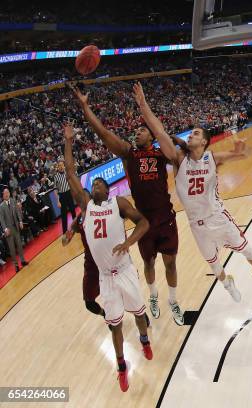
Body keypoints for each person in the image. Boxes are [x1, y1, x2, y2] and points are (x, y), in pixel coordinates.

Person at [133, 82, 252, 302]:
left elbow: (246, 154)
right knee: (215, 267)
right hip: (196, 224)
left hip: (218, 216)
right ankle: (228, 284)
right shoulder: (179, 160)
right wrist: (143, 105)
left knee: (249, 252)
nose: (191, 136)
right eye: (191, 134)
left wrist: (241, 150)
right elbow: (158, 131)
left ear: (204, 141)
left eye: (195, 134)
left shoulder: (212, 158)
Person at [71, 84, 184, 325]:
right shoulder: (128, 153)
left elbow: (161, 132)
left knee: (171, 262)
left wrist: (144, 106)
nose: (137, 133)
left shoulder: (160, 152)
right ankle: (153, 296)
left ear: (151, 135)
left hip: (166, 217)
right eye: (136, 131)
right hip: (144, 220)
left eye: (141, 130)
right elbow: (103, 133)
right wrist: (85, 106)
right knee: (149, 262)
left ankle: (173, 300)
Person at [63, 122, 152, 392]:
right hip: (106, 277)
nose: (98, 184)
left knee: (139, 314)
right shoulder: (86, 206)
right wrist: (68, 141)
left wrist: (128, 242)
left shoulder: (119, 203)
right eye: (95, 183)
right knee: (114, 325)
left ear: (108, 190)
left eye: (101, 183)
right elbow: (69, 171)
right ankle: (122, 366)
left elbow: (144, 223)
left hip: (124, 269)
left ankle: (145, 340)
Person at [0, 188, 28, 272]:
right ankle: (16, 265)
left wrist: (20, 221)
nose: (7, 194)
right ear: (3, 195)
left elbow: (17, 212)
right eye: (5, 193)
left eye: (8, 192)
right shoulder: (1, 206)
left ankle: (22, 261)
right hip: (8, 230)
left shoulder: (12, 201)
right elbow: (1, 219)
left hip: (16, 227)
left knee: (19, 245)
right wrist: (5, 229)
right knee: (12, 249)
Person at [52, 160, 78, 236]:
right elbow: (55, 190)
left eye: (62, 165)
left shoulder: (67, 173)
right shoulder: (56, 176)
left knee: (73, 210)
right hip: (62, 196)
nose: (61, 167)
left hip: (69, 193)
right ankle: (64, 232)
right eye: (59, 165)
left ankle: (76, 226)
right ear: (58, 167)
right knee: (64, 215)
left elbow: (74, 176)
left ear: (64, 166)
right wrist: (58, 201)